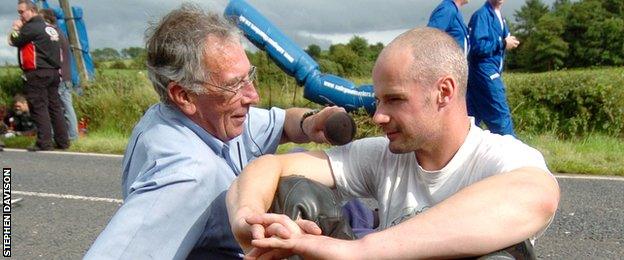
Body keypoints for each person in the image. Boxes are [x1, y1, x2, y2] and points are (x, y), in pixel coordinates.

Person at [227, 27, 559, 259]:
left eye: (394, 100)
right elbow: (269, 166)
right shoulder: (383, 156)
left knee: (503, 256)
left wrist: (358, 251)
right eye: (378, 102)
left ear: (444, 92)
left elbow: (539, 196)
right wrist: (248, 217)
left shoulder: (499, 157)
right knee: (289, 192)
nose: (378, 117)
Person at [85, 4, 346, 259]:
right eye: (235, 85)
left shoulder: (212, 116)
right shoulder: (186, 175)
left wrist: (309, 122)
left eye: (249, 77)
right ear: (183, 95)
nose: (252, 96)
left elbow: (282, 123)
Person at [8, 0, 69, 151]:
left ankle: (44, 142)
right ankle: (63, 141)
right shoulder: (50, 28)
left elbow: (13, 40)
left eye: (22, 12)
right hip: (54, 72)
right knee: (55, 107)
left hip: (37, 72)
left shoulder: (31, 27)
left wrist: (16, 28)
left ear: (32, 10)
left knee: (38, 107)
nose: (20, 16)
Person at [467, 0, 520, 136]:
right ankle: (513, 154)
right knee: (501, 118)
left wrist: (508, 41)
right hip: (485, 72)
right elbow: (477, 46)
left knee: (470, 120)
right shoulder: (482, 16)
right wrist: (502, 43)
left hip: (486, 73)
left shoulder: (500, 17)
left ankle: (465, 154)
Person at [39, 8, 79, 141]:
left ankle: (72, 135)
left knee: (64, 107)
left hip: (60, 76)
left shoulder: (52, 34)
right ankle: (72, 135)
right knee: (66, 106)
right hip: (66, 75)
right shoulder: (60, 33)